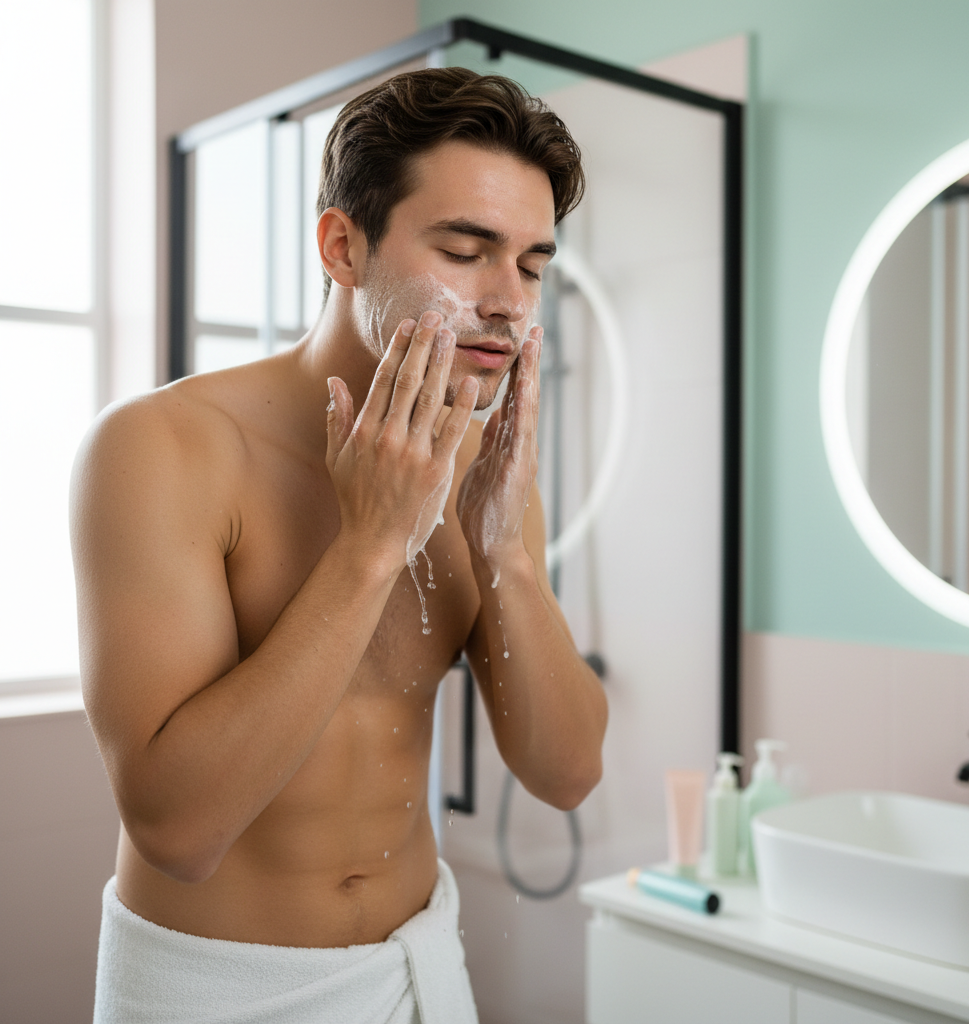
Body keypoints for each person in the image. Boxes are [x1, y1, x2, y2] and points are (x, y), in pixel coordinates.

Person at [72, 67, 608, 1024]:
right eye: (466, 248)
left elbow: (564, 775)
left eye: (531, 264)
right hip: (214, 991)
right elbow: (179, 830)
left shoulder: (478, 463)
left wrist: (505, 556)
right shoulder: (166, 448)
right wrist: (372, 543)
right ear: (342, 246)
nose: (507, 301)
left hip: (414, 972)